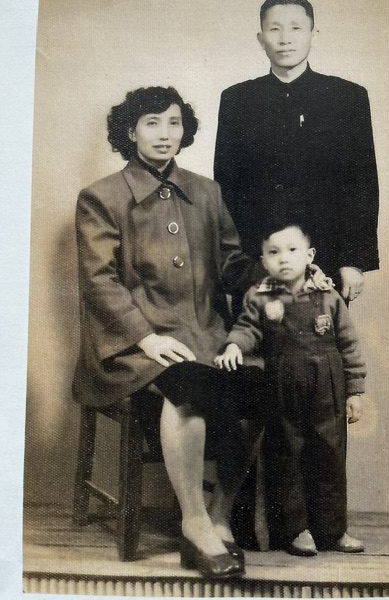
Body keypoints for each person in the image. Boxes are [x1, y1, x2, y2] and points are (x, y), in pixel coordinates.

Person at [72, 86, 266, 578]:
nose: (164, 133)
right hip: (132, 348)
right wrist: (147, 338)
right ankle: (194, 523)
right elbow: (99, 282)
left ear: (185, 131)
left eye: (174, 122)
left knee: (259, 390)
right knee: (189, 390)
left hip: (203, 335)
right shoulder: (101, 197)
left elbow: (231, 264)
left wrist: (275, 278)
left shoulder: (207, 192)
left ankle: (218, 516)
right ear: (130, 131)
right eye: (152, 122)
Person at [214, 0, 379, 309]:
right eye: (274, 29)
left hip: (326, 255)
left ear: (313, 34)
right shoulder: (237, 100)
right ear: (261, 38)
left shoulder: (347, 98)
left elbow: (362, 184)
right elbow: (226, 187)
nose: (285, 38)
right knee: (253, 338)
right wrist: (235, 265)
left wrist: (354, 261)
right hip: (257, 260)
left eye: (296, 28)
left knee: (321, 338)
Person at [215, 222, 366, 555]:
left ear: (309, 255)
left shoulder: (328, 294)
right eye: (274, 252)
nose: (283, 258)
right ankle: (297, 531)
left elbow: (349, 345)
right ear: (263, 260)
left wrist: (354, 391)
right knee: (288, 455)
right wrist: (234, 346)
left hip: (328, 388)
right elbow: (247, 328)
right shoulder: (260, 296)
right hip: (282, 387)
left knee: (330, 456)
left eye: (292, 250)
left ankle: (333, 531)